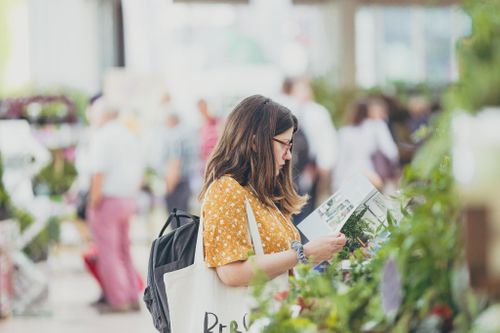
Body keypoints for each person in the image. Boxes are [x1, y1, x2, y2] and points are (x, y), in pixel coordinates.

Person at [198, 95, 346, 287]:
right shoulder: (226, 189)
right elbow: (231, 273)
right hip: (247, 315)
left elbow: (278, 265)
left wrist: (318, 254)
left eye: (290, 145)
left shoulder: (256, 191)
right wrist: (305, 253)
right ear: (254, 143)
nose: (289, 155)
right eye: (284, 144)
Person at [87, 97, 144, 313]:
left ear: (102, 115)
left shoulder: (102, 137)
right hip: (128, 199)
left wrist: (93, 202)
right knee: (124, 250)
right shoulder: (129, 135)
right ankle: (132, 295)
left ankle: (118, 300)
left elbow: (98, 173)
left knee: (108, 252)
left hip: (108, 200)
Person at [333, 98, 399, 191]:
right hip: (372, 176)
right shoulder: (377, 126)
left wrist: (336, 183)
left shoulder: (344, 132)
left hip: (348, 176)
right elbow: (391, 152)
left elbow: (340, 160)